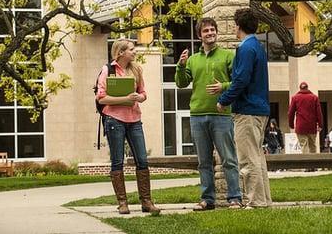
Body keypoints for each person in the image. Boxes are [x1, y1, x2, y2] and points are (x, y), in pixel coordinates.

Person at [175, 17, 243, 211]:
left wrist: (223, 86)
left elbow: (238, 82)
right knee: (204, 162)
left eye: (212, 30)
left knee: (229, 159)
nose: (210, 33)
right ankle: (207, 200)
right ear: (200, 35)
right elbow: (181, 83)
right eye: (206, 31)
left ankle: (235, 198)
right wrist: (180, 65)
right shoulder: (193, 60)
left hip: (221, 115)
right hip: (197, 115)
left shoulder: (228, 56)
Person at [95, 39, 160, 215]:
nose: (135, 52)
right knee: (117, 161)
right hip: (114, 119)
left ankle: (146, 202)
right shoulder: (108, 70)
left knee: (142, 160)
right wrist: (125, 100)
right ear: (121, 52)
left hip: (134, 120)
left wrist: (140, 98)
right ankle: (122, 203)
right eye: (132, 49)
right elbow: (101, 98)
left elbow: (143, 92)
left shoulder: (136, 69)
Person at [217, 8, 272, 209]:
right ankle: (263, 200)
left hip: (247, 110)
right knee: (257, 158)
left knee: (247, 159)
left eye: (234, 24)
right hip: (259, 109)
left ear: (238, 26)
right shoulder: (257, 46)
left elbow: (240, 80)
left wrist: (224, 99)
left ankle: (255, 202)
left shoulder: (245, 48)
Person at [288, 81, 323, 154]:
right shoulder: (314, 97)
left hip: (300, 126)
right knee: (312, 146)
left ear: (300, 88)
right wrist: (320, 125)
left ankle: (305, 164)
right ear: (307, 88)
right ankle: (314, 164)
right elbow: (319, 113)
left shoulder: (295, 98)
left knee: (303, 145)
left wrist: (291, 124)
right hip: (312, 126)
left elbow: (290, 113)